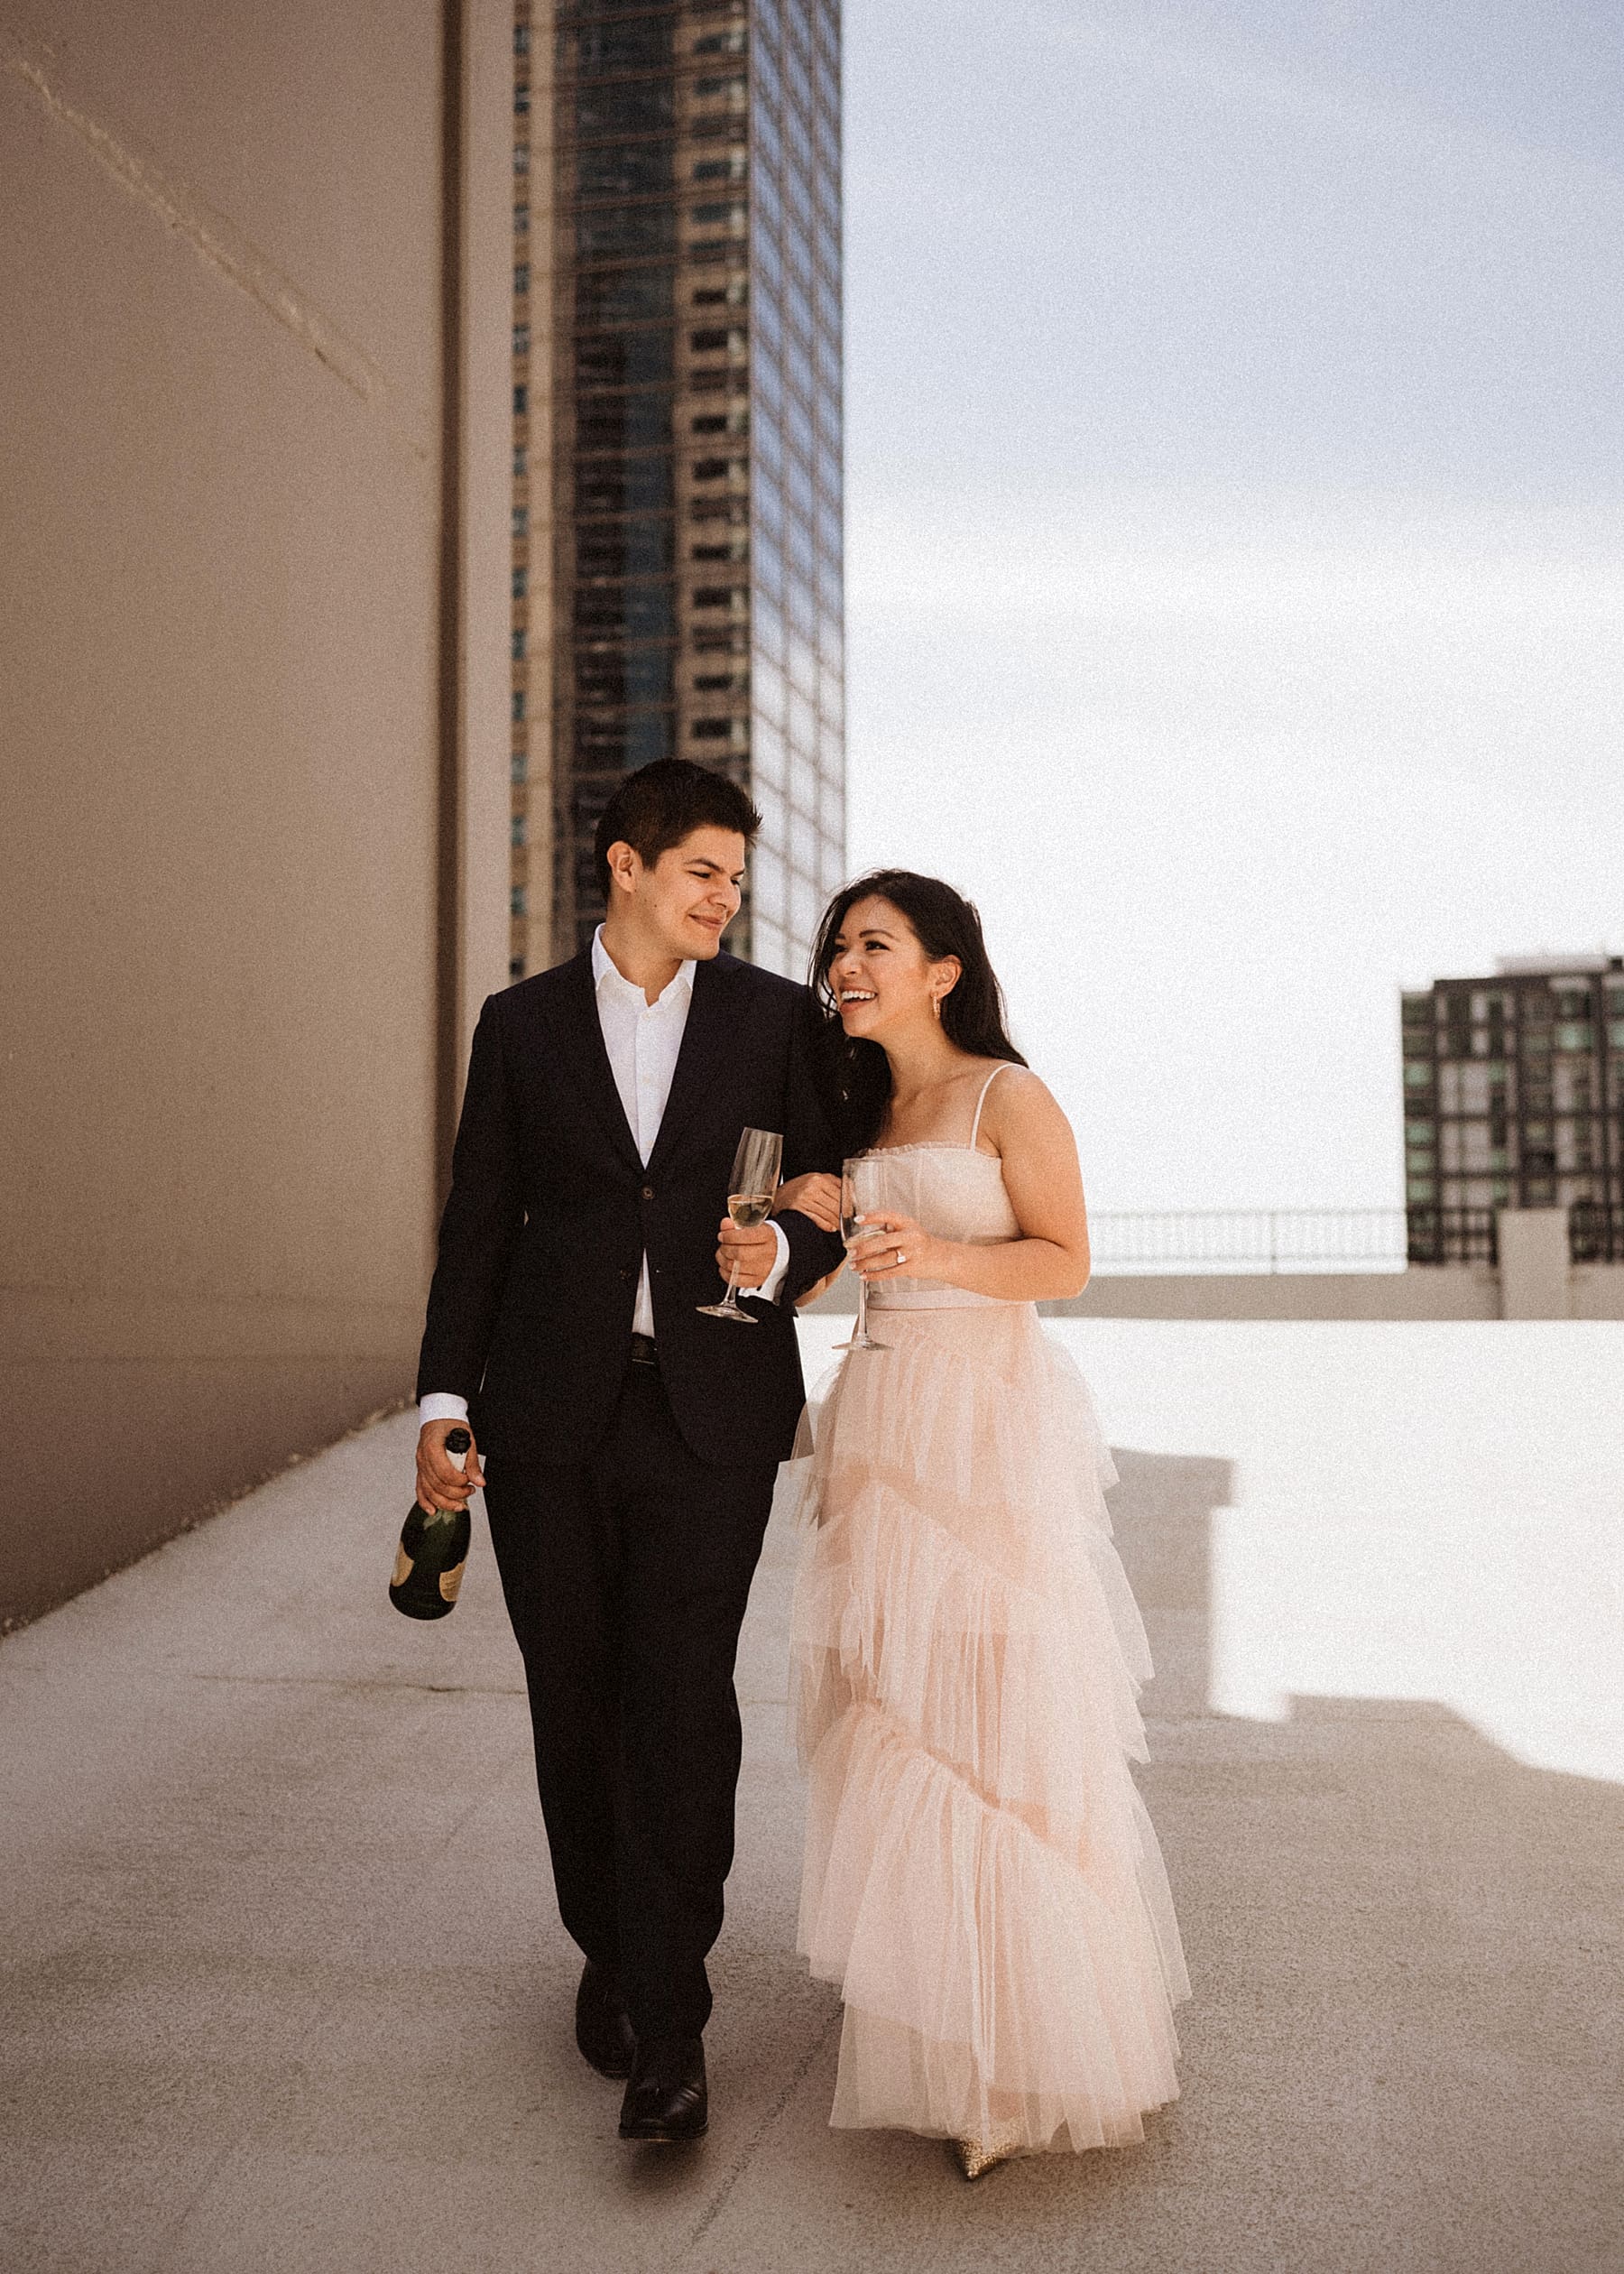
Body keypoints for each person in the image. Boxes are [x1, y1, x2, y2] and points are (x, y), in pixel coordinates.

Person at [413, 759, 843, 2145]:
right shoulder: (522, 1025)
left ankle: (670, 2022)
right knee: (573, 1697)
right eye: (706, 869)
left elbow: (827, 1196)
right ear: (628, 866)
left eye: (737, 874)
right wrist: (440, 1408)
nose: (729, 896)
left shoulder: (777, 1021)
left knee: (679, 1701)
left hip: (710, 1410)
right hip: (545, 1418)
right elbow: (478, 1225)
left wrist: (782, 1249)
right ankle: (608, 1940)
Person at [776, 870, 1189, 2179]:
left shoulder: (1009, 1095)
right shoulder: (844, 1107)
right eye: (839, 945)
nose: (847, 963)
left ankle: (1016, 2048)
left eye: (875, 944)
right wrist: (778, 1259)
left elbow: (1064, 1261)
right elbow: (816, 1278)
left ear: (944, 968)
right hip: (881, 1421)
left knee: (993, 1716)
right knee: (890, 1707)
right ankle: (921, 1986)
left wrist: (943, 1258)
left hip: (984, 1424)